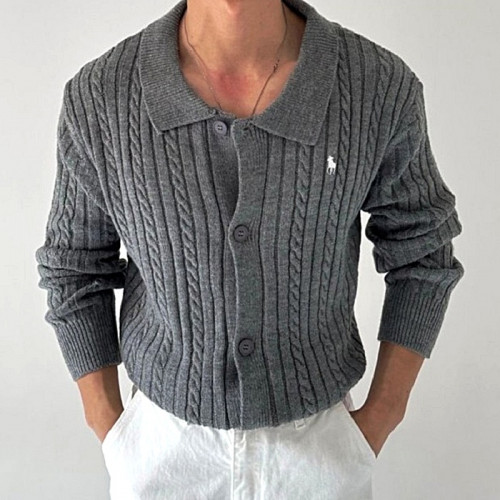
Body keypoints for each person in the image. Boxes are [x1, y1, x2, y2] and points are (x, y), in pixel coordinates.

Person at [34, 0, 465, 498]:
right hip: (160, 451)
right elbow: (75, 268)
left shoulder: (375, 86)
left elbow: (423, 253)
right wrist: (112, 428)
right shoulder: (101, 98)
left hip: (319, 451)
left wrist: (383, 415)